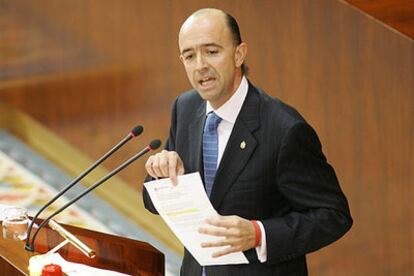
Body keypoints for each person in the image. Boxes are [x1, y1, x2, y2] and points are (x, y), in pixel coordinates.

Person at [143, 8, 352, 276]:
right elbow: (153, 201)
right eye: (189, 55)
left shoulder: (285, 130)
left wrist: (258, 234)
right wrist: (161, 176)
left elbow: (333, 216)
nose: (200, 65)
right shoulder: (185, 108)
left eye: (212, 51)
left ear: (239, 54)